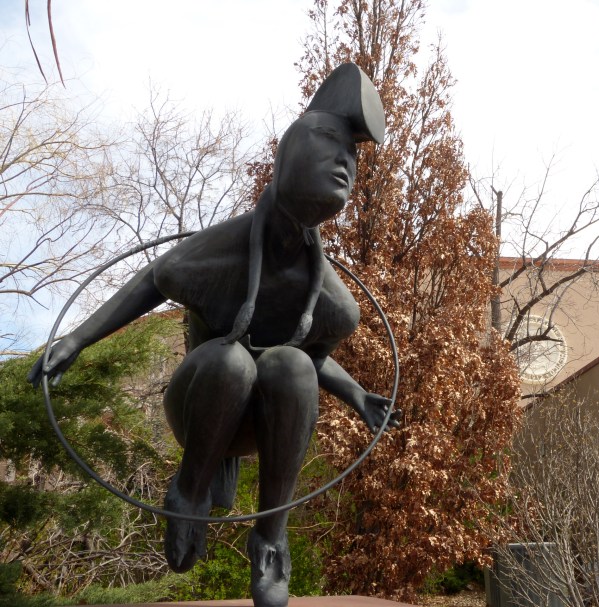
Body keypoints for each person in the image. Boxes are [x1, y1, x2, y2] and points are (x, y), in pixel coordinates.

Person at [28, 63, 401, 607]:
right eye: (328, 141)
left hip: (260, 421)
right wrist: (77, 340)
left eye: (353, 154)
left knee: (291, 364)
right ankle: (190, 491)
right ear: (289, 154)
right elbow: (153, 280)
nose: (345, 160)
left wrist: (357, 394)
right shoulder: (219, 251)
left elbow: (314, 358)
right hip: (201, 402)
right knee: (231, 360)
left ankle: (270, 540)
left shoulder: (334, 304)